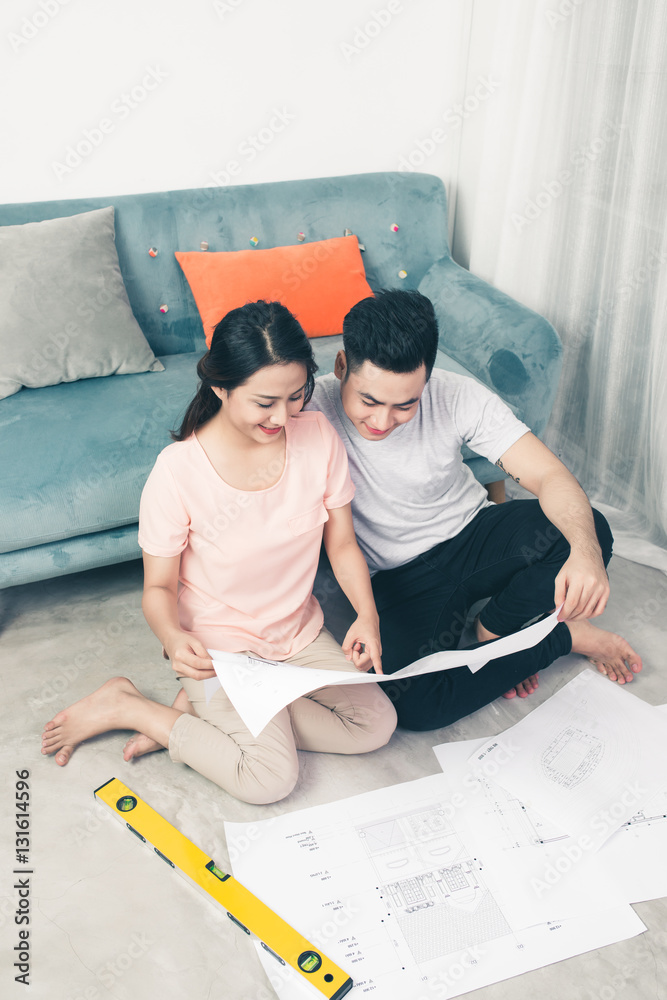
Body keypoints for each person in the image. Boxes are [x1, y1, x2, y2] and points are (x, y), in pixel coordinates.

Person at [41, 301, 397, 802]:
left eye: (296, 396)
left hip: (297, 635)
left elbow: (340, 543)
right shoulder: (178, 471)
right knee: (268, 778)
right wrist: (171, 633)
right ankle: (130, 706)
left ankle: (208, 711)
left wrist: (367, 615)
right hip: (218, 651)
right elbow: (159, 587)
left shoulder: (317, 436)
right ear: (221, 386)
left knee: (375, 725)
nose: (283, 415)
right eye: (264, 402)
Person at [306, 289, 642, 731]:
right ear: (341, 365)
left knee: (589, 529)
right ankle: (561, 638)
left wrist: (586, 551)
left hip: (473, 533)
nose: (383, 422)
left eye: (405, 404)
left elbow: (550, 477)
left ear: (425, 380)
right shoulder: (310, 411)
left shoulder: (456, 394)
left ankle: (496, 632)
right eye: (369, 401)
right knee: (416, 706)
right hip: (398, 577)